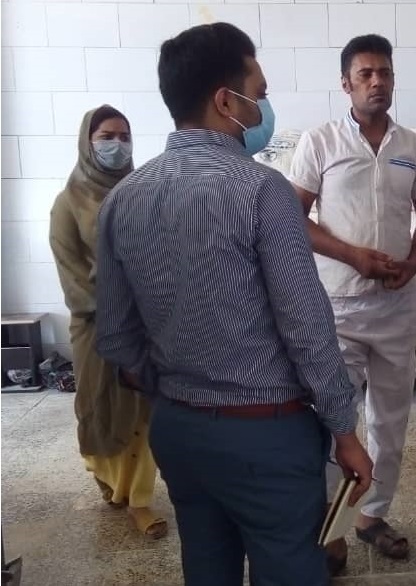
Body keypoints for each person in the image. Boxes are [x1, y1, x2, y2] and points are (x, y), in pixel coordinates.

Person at [93, 23, 373, 586]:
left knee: (207, 564)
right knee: (288, 566)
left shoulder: (122, 200)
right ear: (226, 102)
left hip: (178, 430)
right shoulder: (262, 191)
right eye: (259, 94)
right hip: (265, 435)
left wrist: (176, 390)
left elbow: (118, 338)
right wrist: (345, 431)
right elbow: (306, 328)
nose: (263, 108)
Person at [288, 34, 416, 568]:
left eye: (385, 73)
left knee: (390, 421)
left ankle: (372, 516)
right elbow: (295, 218)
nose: (378, 82)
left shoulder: (411, 147)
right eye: (366, 74)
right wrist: (354, 256)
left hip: (397, 307)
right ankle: (329, 530)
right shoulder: (321, 142)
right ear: (346, 83)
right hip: (339, 308)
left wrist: (412, 265)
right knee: (336, 419)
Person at [49, 105, 167, 540]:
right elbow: (72, 273)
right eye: (106, 137)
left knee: (142, 408)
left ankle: (139, 499)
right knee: (101, 409)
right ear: (87, 142)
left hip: (145, 324)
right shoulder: (67, 204)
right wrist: (117, 310)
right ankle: (110, 481)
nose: (117, 145)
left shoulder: (142, 194)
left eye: (124, 136)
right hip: (95, 326)